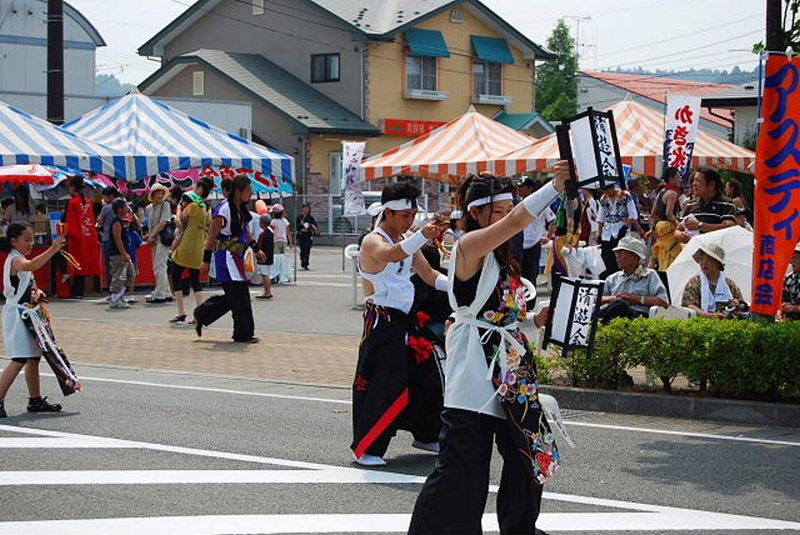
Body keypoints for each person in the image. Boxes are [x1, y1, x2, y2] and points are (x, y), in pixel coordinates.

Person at [408, 167, 570, 535]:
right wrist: (554, 187)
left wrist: (534, 320)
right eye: (498, 212)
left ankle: (520, 529)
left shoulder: (502, 260)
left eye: (507, 209)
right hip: (477, 373)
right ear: (476, 213)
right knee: (462, 469)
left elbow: (502, 318)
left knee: (527, 457)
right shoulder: (468, 246)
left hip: (512, 369)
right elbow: (517, 221)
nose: (507, 219)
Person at [352, 182, 449, 467]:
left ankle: (426, 432)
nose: (411, 220)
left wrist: (459, 286)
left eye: (413, 214)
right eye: (405, 215)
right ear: (388, 213)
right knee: (385, 383)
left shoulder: (408, 238)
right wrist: (421, 236)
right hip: (382, 321)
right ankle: (368, 447)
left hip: (406, 319)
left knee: (427, 376)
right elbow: (391, 254)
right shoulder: (373, 240)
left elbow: (430, 275)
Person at [0, 224, 74, 418]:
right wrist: (53, 248)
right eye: (27, 239)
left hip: (29, 314)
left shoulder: (19, 258)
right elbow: (31, 265)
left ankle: (35, 400)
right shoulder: (16, 259)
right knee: (18, 360)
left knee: (33, 358)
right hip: (18, 316)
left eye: (32, 239)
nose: (31, 243)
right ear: (14, 241)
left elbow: (27, 280)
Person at [195, 176, 258, 343]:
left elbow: (246, 231)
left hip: (238, 257)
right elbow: (211, 238)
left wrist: (256, 248)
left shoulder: (242, 209)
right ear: (238, 192)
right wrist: (206, 261)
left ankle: (202, 314)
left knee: (238, 297)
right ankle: (242, 334)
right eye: (249, 190)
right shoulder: (223, 210)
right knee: (238, 297)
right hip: (226, 258)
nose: (251, 194)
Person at [169, 179, 214, 323]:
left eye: (196, 186)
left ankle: (181, 311)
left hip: (187, 244)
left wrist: (178, 209)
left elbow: (180, 220)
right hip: (200, 245)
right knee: (195, 279)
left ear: (200, 189)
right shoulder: (208, 208)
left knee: (176, 274)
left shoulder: (193, 205)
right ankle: (199, 314)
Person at [598, 236, 669, 321]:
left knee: (620, 306)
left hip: (638, 318)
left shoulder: (650, 275)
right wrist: (612, 298)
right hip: (612, 316)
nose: (617, 256)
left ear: (635, 256)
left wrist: (636, 299)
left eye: (621, 252)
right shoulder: (612, 278)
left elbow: (663, 303)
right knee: (613, 306)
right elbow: (595, 299)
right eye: (617, 253)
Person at [681, 244, 745, 318]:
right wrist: (710, 316)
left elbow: (742, 306)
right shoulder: (694, 282)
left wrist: (736, 304)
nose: (704, 263)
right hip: (700, 324)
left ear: (718, 263)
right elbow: (689, 306)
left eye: (708, 259)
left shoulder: (729, 284)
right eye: (702, 259)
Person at [675, 167, 736, 243]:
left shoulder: (727, 204)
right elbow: (678, 229)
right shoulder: (691, 205)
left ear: (711, 185)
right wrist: (681, 235)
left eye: (698, 181)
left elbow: (729, 227)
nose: (694, 184)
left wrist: (700, 225)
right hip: (694, 252)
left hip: (717, 252)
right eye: (694, 180)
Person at [63, 176, 101, 298]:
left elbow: (70, 221)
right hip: (88, 234)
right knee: (85, 262)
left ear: (73, 187)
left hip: (78, 237)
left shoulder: (73, 202)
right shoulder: (88, 201)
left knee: (77, 263)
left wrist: (70, 235)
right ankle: (82, 290)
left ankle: (77, 290)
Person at [597, 182, 640, 279]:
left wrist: (628, 227)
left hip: (622, 230)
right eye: (605, 191)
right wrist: (599, 234)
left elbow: (632, 214)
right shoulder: (603, 198)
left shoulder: (625, 195)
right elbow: (601, 217)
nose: (608, 192)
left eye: (609, 189)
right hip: (607, 233)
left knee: (621, 259)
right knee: (607, 260)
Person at [518, 178, 556, 285]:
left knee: (531, 276)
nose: (519, 189)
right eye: (519, 186)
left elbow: (553, 220)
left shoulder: (540, 203)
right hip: (520, 243)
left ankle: (531, 301)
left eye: (522, 187)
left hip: (534, 244)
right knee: (519, 277)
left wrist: (548, 236)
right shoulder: (518, 203)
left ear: (530, 188)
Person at [144, 184, 174, 304]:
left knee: (159, 266)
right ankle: (166, 292)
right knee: (160, 266)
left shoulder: (165, 205)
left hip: (162, 239)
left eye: (162, 192)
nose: (160, 195)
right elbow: (152, 224)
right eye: (157, 192)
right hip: (155, 240)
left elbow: (163, 223)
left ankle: (160, 293)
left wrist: (151, 236)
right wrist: (149, 235)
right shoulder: (149, 208)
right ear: (152, 194)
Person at [649, 167, 682, 273]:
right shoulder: (672, 193)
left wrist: (655, 227)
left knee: (662, 255)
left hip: (660, 227)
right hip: (668, 227)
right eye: (678, 177)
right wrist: (679, 225)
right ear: (671, 179)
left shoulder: (662, 191)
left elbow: (653, 212)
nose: (680, 179)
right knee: (672, 256)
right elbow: (669, 214)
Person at [107, 199, 136, 310]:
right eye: (124, 206)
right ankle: (115, 299)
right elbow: (117, 239)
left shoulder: (121, 221)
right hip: (118, 255)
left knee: (130, 275)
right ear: (119, 209)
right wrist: (124, 254)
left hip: (124, 254)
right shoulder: (116, 222)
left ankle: (120, 296)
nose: (126, 208)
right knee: (119, 276)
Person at [270, 204, 293, 284]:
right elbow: (288, 232)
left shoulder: (273, 222)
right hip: (284, 242)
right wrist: (291, 242)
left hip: (276, 242)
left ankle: (274, 276)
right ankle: (283, 275)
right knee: (282, 258)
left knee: (276, 259)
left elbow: (271, 233)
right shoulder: (285, 221)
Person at [255, 214, 275, 299]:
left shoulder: (265, 233)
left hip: (265, 257)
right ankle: (267, 291)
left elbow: (261, 245)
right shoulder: (270, 232)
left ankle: (267, 292)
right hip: (268, 256)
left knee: (265, 274)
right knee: (266, 274)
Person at [296, 202, 318, 270]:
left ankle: (306, 264)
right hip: (302, 236)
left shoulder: (310, 218)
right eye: (304, 208)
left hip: (308, 236)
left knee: (307, 249)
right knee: (302, 249)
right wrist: (301, 224)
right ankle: (303, 261)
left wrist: (310, 227)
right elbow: (297, 227)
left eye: (307, 208)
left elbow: (314, 226)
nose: (306, 209)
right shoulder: (300, 217)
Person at [781, 244, 800, 321]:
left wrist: (795, 308)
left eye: (796, 258)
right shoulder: (789, 278)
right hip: (791, 323)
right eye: (792, 258)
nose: (792, 262)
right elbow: (785, 299)